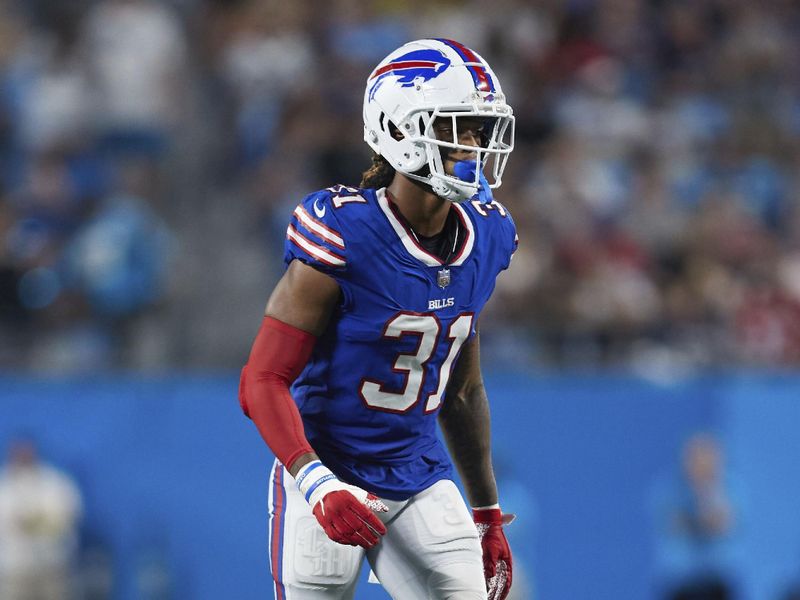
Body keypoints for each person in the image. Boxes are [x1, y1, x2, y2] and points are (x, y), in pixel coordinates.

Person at [239, 38, 517, 599]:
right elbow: (261, 381)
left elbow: (460, 391)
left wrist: (486, 509)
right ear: (399, 129)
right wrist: (316, 484)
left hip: (418, 474)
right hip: (327, 468)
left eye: (478, 131)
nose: (471, 146)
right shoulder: (346, 233)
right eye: (456, 126)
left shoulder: (486, 232)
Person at [650, 433, 746, 600]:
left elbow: (721, 524)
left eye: (708, 458)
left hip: (718, 584)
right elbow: (676, 525)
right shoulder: (668, 491)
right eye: (696, 458)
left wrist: (707, 493)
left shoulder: (732, 489)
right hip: (680, 584)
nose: (701, 464)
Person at [0, 436, 84, 600]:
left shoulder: (55, 482)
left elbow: (71, 514)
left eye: (27, 452)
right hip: (13, 569)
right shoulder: (3, 485)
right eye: (19, 453)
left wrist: (41, 523)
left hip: (54, 566)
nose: (23, 457)